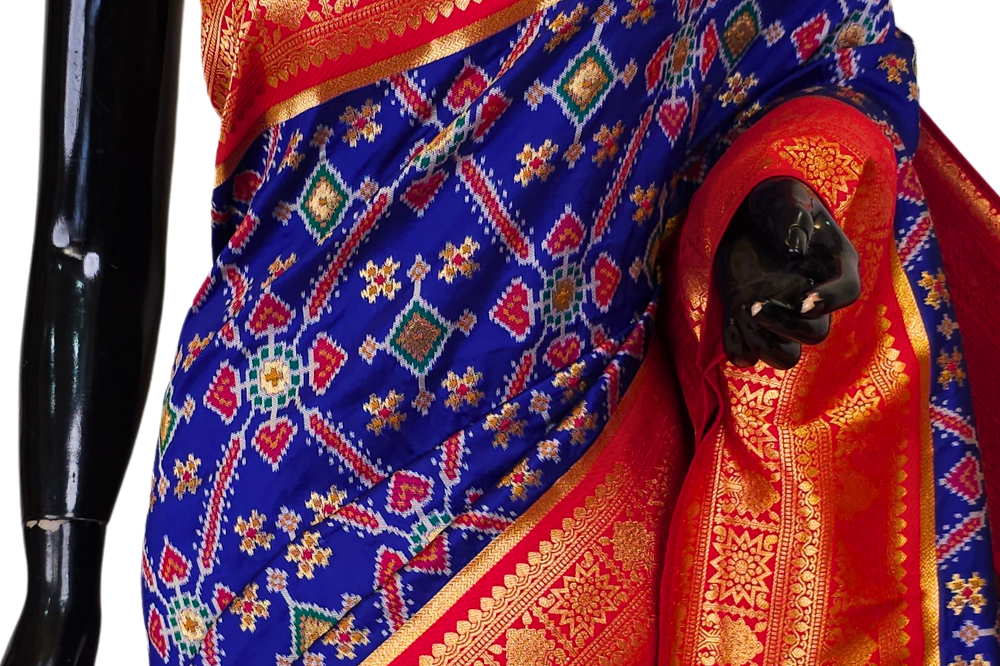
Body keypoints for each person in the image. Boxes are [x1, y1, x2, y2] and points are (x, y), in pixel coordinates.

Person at [4, 0, 999, 665]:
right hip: (238, 553)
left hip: (559, 493)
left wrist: (776, 198)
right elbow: (85, 234)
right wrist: (58, 580)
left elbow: (813, 54)